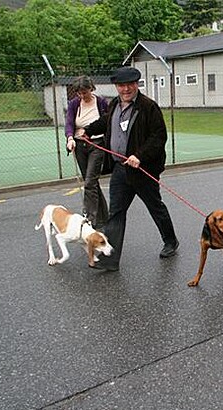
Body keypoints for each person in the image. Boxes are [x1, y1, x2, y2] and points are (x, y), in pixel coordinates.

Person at [83, 67, 179, 271]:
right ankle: (110, 260)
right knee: (116, 213)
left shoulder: (148, 107)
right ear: (117, 87)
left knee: (156, 207)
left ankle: (171, 241)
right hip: (120, 169)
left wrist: (139, 156)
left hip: (143, 170)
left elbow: (158, 136)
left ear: (137, 84)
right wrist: (88, 130)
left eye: (130, 85)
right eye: (121, 85)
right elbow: (106, 122)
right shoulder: (115, 104)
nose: (125, 89)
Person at [65, 76, 109, 229]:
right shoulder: (74, 104)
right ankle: (104, 217)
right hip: (79, 145)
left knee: (90, 182)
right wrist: (70, 138)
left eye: (85, 92)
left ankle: (90, 220)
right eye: (79, 93)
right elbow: (69, 123)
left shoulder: (101, 103)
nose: (82, 96)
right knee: (91, 183)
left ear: (91, 88)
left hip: (97, 144)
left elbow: (107, 122)